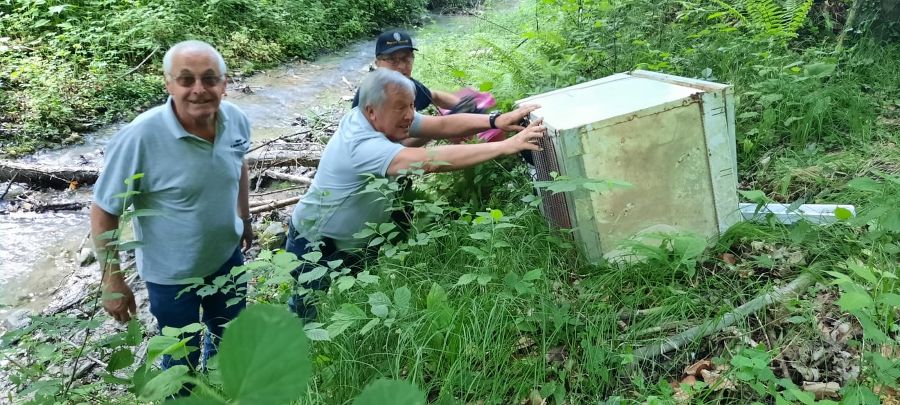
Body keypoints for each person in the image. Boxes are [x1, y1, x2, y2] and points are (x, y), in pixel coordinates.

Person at [287, 68, 544, 319]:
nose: (410, 115)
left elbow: (442, 125)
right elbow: (429, 160)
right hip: (316, 240)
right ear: (371, 111)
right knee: (306, 312)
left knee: (356, 302)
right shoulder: (361, 144)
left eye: (412, 105)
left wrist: (494, 120)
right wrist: (506, 146)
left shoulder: (377, 118)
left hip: (357, 240)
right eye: (401, 107)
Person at [90, 40, 254, 371]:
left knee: (231, 344)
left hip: (227, 259)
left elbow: (239, 165)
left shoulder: (235, 120)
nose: (199, 90)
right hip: (171, 277)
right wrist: (111, 280)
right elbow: (105, 209)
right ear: (168, 83)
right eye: (186, 79)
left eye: (209, 79)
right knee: (181, 360)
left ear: (224, 84)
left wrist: (245, 218)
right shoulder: (140, 137)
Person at [352, 30, 461, 120]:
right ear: (377, 64)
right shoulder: (369, 96)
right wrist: (441, 127)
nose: (402, 66)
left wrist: (465, 107)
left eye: (406, 58)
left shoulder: (408, 85)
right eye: (392, 60)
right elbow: (398, 142)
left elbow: (434, 96)